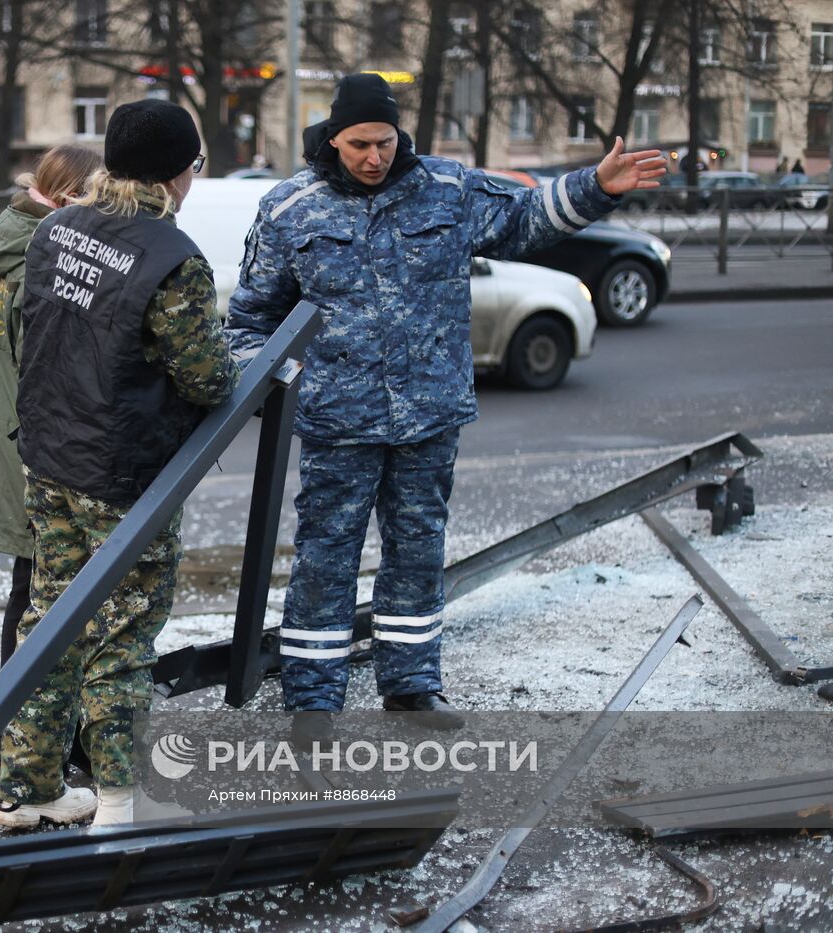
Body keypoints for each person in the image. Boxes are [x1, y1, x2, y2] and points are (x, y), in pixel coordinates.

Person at [227, 74, 665, 739]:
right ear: (333, 139)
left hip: (429, 414)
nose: (374, 156)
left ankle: (412, 685)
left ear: (400, 134)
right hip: (338, 424)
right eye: (358, 145)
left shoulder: (446, 189)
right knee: (326, 557)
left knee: (417, 549)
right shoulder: (291, 208)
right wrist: (290, 388)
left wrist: (597, 185)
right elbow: (249, 322)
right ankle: (313, 701)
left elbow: (524, 218)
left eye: (384, 141)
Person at [0, 100, 239, 828]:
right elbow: (208, 377)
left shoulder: (58, 230)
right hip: (123, 475)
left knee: (48, 621)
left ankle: (29, 787)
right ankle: (123, 799)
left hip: (48, 458)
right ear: (180, 172)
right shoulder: (172, 256)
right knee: (123, 634)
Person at [0, 144, 102, 764]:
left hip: (20, 448)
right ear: (67, 198)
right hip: (40, 455)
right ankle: (21, 738)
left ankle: (20, 733)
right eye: (94, 197)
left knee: (34, 590)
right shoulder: (43, 263)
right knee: (40, 593)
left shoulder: (21, 245)